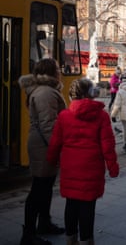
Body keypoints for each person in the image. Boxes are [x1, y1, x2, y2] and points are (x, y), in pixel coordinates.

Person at [47, 78, 119, 245]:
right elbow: (107, 145)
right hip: (91, 168)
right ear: (91, 94)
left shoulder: (64, 116)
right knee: (88, 207)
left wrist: (51, 159)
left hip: (70, 167)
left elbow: (56, 142)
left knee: (71, 204)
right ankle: (87, 240)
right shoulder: (101, 116)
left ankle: (70, 239)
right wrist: (113, 167)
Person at [18, 58, 66, 245]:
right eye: (57, 68)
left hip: (43, 143)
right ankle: (28, 234)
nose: (60, 70)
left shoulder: (45, 90)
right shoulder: (46, 92)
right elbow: (49, 125)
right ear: (50, 71)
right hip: (44, 145)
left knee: (45, 187)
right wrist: (57, 149)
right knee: (39, 189)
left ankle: (44, 223)